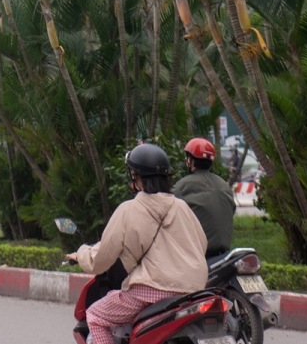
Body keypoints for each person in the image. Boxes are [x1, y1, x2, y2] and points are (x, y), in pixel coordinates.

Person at [71, 144, 208, 344]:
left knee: (96, 316)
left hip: (153, 290)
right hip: (194, 290)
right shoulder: (182, 207)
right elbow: (201, 244)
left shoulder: (129, 209)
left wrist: (81, 254)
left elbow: (102, 258)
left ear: (135, 176)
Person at [172, 137, 235, 256]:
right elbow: (232, 210)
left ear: (190, 160)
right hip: (223, 253)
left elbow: (165, 210)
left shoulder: (182, 186)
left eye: (187, 157)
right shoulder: (223, 185)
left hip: (196, 255)